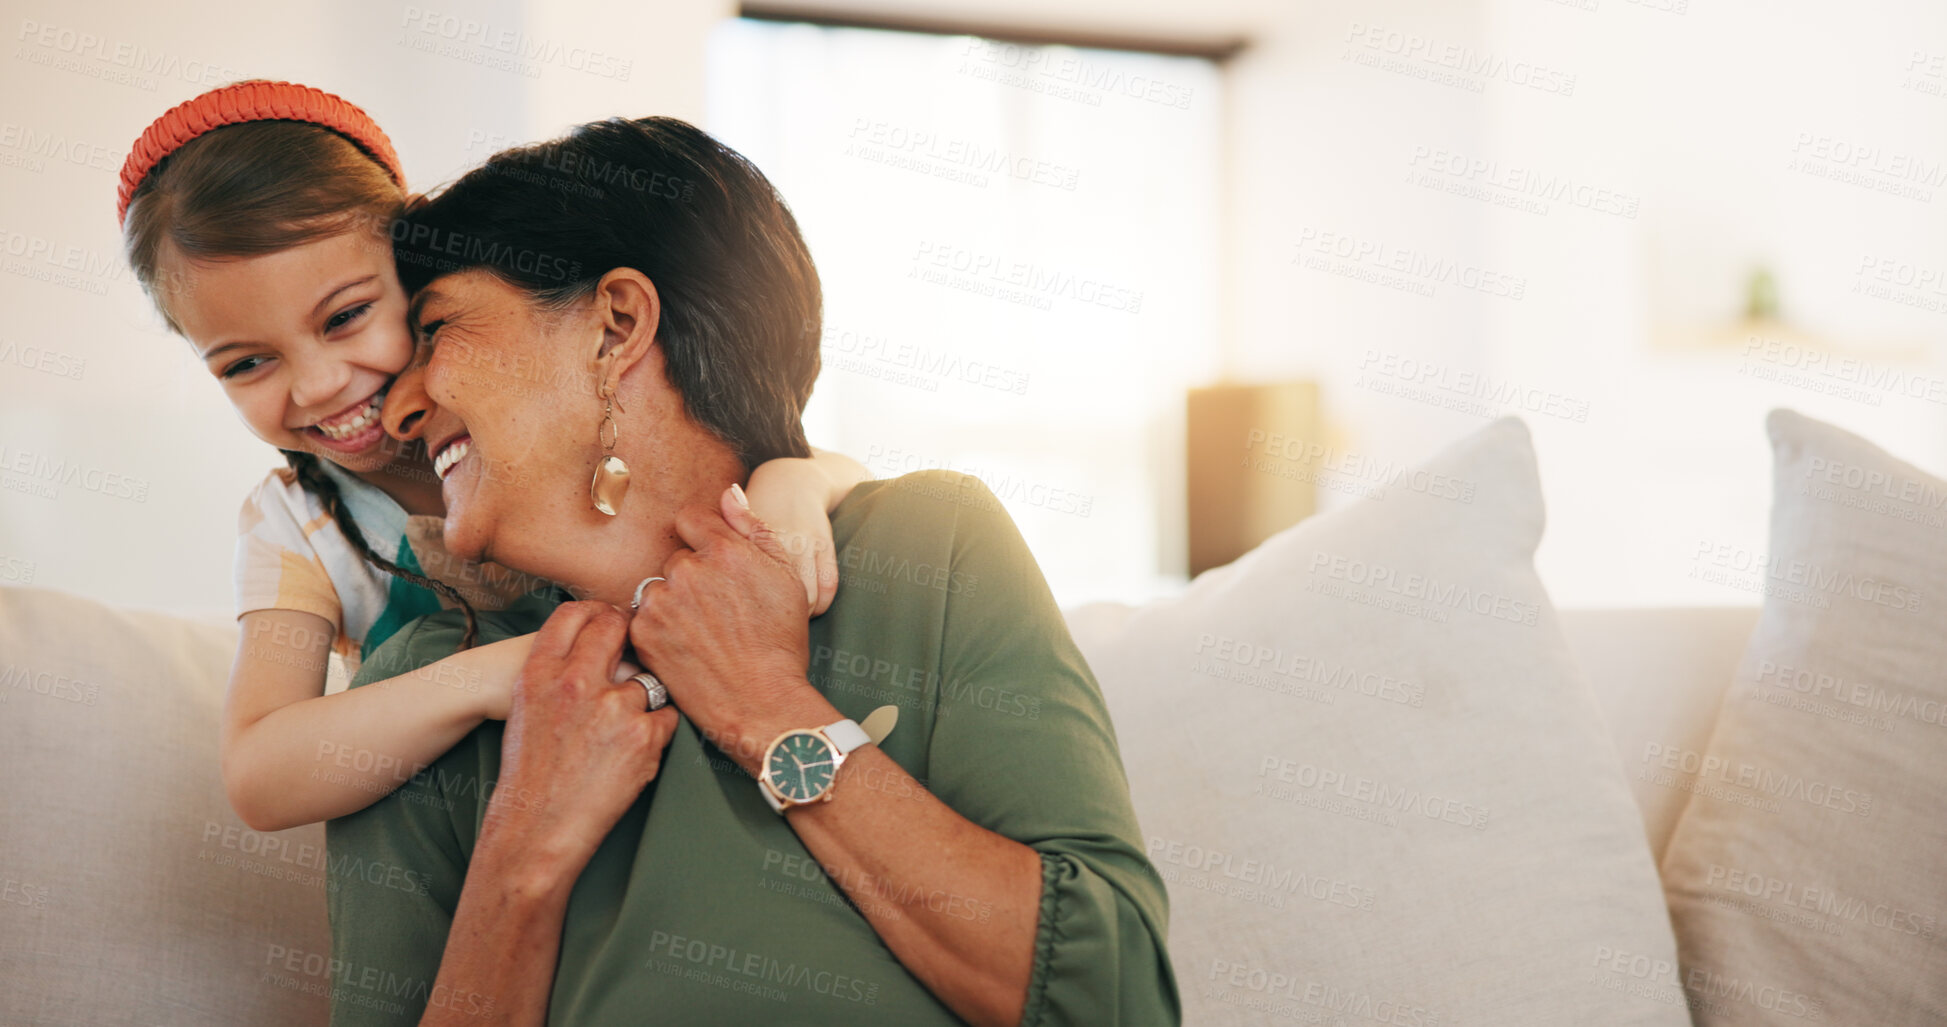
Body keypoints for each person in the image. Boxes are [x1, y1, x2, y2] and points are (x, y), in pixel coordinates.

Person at [326, 116, 1180, 1026]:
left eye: (436, 330)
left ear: (615, 326)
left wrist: (766, 706)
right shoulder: (421, 699)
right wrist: (523, 851)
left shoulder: (926, 552)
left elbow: (1115, 1002)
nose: (403, 408)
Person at [116, 80, 867, 832]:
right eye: (245, 364)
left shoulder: (542, 418)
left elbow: (820, 469)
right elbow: (258, 776)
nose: (317, 386)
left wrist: (793, 482)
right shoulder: (298, 522)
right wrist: (487, 678)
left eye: (345, 317)